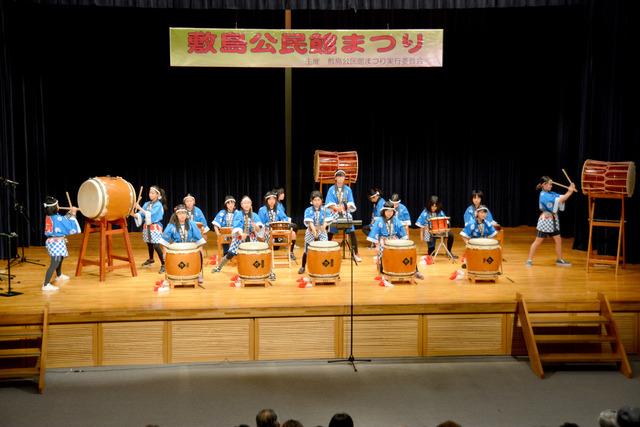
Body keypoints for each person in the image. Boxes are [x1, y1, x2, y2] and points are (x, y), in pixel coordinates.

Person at [212, 196, 270, 277]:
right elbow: (236, 226)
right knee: (230, 254)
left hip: (251, 237)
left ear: (251, 204)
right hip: (239, 237)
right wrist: (241, 233)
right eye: (244, 203)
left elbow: (259, 227)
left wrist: (255, 226)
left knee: (254, 254)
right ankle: (219, 267)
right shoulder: (238, 214)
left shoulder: (254, 215)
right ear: (241, 205)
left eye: (248, 203)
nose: (246, 205)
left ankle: (266, 271)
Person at [526, 176, 576, 267]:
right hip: (545, 221)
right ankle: (529, 260)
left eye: (551, 184)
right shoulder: (543, 195)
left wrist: (569, 190)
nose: (551, 186)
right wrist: (570, 191)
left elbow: (561, 197)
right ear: (544, 185)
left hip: (553, 221)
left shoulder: (550, 193)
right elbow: (561, 199)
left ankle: (559, 259)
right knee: (538, 241)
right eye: (550, 184)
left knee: (558, 240)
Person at [367, 201, 424, 280]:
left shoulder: (396, 220)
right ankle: (384, 271)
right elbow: (375, 233)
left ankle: (415, 270)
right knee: (383, 250)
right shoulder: (379, 220)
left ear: (393, 212)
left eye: (391, 211)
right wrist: (377, 246)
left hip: (394, 239)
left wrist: (405, 241)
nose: (389, 213)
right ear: (384, 211)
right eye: (387, 211)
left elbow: (401, 231)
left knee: (407, 251)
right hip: (383, 240)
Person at [159, 204, 207, 287]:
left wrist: (201, 249)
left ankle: (197, 273)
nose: (182, 215)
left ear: (186, 214)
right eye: (180, 213)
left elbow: (199, 239)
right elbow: (164, 240)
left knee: (199, 253)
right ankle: (169, 276)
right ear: (176, 214)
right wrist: (164, 251)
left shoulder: (191, 224)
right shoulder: (172, 225)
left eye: (184, 213)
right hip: (177, 249)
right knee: (167, 255)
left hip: (190, 248)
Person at [41, 196, 81, 291]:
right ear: (55, 208)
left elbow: (63, 219)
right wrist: (73, 214)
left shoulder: (51, 216)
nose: (59, 207)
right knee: (55, 263)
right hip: (55, 242)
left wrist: (69, 213)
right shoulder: (56, 218)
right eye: (57, 205)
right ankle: (45, 285)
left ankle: (59, 275)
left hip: (56, 241)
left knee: (60, 258)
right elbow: (68, 226)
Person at [325, 169, 362, 262]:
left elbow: (351, 202)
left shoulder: (348, 189)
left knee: (352, 229)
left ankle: (355, 253)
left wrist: (344, 207)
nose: (341, 178)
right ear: (336, 178)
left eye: (342, 176)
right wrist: (337, 208)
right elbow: (329, 203)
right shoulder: (331, 189)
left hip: (345, 212)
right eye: (339, 176)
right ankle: (326, 251)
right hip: (334, 212)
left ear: (344, 178)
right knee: (331, 228)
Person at [133, 185, 167, 273]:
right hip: (147, 227)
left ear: (157, 194)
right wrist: (134, 213)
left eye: (152, 193)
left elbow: (150, 214)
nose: (150, 194)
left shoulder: (158, 205)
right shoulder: (147, 204)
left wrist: (139, 207)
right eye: (150, 193)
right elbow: (141, 214)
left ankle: (164, 264)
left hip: (155, 226)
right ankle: (151, 259)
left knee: (156, 245)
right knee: (149, 243)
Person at [298, 190, 333, 274]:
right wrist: (314, 231)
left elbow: (326, 221)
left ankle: (324, 266)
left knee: (324, 249)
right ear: (311, 201)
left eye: (318, 200)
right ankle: (303, 266)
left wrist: (323, 228)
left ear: (321, 201)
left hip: (322, 230)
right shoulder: (308, 210)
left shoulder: (326, 210)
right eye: (315, 200)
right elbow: (309, 222)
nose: (317, 202)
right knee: (307, 250)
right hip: (311, 231)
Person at [273, 187, 298, 260]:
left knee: (294, 226)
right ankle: (288, 242)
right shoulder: (276, 204)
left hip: (282, 221)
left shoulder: (280, 203)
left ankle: (289, 243)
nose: (283, 195)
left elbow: (283, 215)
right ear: (277, 195)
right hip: (279, 224)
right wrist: (288, 219)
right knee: (294, 226)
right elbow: (281, 216)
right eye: (281, 193)